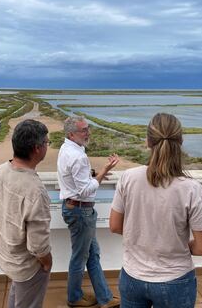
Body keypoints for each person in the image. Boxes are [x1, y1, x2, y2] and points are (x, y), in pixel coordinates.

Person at [110, 113, 202, 308]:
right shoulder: (191, 188)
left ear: (148, 141)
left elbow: (115, 226)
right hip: (175, 280)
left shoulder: (128, 178)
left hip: (132, 277)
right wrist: (177, 243)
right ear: (181, 141)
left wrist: (143, 236)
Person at [0, 119, 53, 308]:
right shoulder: (35, 190)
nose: (47, 146)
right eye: (47, 142)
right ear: (37, 148)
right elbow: (38, 245)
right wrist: (47, 263)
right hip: (27, 266)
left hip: (6, 255)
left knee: (17, 296)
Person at [57, 116, 120, 308]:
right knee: (81, 257)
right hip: (80, 211)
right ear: (71, 134)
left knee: (92, 254)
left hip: (75, 209)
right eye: (83, 130)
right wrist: (102, 172)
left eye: (88, 128)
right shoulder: (78, 156)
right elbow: (85, 190)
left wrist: (91, 174)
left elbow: (75, 177)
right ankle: (74, 297)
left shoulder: (67, 148)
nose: (88, 132)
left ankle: (105, 298)